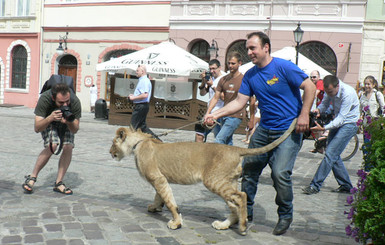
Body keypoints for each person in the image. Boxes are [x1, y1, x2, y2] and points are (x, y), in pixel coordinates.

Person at [204, 31, 315, 235]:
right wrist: (215, 114)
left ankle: (285, 215)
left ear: (266, 47)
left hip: (288, 130)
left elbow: (310, 86)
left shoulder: (283, 67)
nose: (249, 52)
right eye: (248, 48)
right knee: (249, 171)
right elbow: (239, 102)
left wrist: (304, 115)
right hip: (264, 129)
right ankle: (247, 213)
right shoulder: (251, 75)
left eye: (253, 48)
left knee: (280, 173)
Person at [302, 75, 360, 195]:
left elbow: (341, 118)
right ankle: (346, 185)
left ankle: (315, 185)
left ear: (337, 85)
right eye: (327, 92)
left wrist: (324, 128)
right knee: (333, 154)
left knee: (330, 154)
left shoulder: (348, 93)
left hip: (349, 124)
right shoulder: (330, 91)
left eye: (331, 92)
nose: (330, 94)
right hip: (338, 122)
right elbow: (324, 104)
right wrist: (318, 110)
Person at [22, 83, 82, 195]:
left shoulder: (74, 101)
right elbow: (37, 128)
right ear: (53, 98)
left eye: (67, 101)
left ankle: (59, 183)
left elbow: (75, 129)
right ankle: (32, 178)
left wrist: (69, 122)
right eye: (61, 102)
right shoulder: (45, 99)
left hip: (67, 122)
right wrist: (50, 118)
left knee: (68, 146)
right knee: (52, 145)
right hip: (48, 120)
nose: (65, 104)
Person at [205, 52, 246, 145]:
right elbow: (215, 98)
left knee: (219, 140)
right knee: (227, 142)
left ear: (240, 63)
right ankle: (231, 159)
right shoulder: (223, 79)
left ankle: (214, 160)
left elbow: (251, 100)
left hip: (236, 115)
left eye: (233, 63)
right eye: (229, 63)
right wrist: (208, 113)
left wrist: (251, 120)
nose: (230, 66)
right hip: (224, 114)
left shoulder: (244, 79)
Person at [195, 59, 226, 142]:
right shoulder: (211, 78)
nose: (212, 71)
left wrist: (212, 85)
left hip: (220, 113)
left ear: (219, 68)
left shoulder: (224, 78)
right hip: (210, 112)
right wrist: (203, 82)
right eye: (210, 69)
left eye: (214, 68)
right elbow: (202, 93)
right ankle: (199, 153)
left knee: (219, 138)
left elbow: (223, 97)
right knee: (199, 134)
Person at [359, 75, 385, 171]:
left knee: (373, 146)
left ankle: (373, 168)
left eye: (368, 84)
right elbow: (360, 110)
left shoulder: (377, 94)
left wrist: (383, 121)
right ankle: (367, 167)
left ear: (373, 85)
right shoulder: (362, 95)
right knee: (366, 147)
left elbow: (383, 108)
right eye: (365, 84)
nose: (367, 86)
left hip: (376, 125)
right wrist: (360, 120)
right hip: (366, 125)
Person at [129, 65, 160, 140]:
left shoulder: (144, 81)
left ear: (142, 71)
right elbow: (143, 94)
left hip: (141, 106)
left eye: (137, 70)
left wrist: (133, 97)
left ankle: (131, 143)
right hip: (142, 105)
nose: (136, 72)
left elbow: (145, 95)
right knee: (142, 127)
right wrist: (135, 95)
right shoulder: (143, 80)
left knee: (133, 127)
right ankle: (156, 140)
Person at [309, 70, 327, 154]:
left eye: (314, 77)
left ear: (319, 77)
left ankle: (321, 145)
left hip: (327, 108)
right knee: (316, 125)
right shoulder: (313, 84)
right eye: (311, 77)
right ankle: (319, 146)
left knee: (314, 123)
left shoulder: (320, 82)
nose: (312, 79)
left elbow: (315, 94)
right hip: (321, 108)